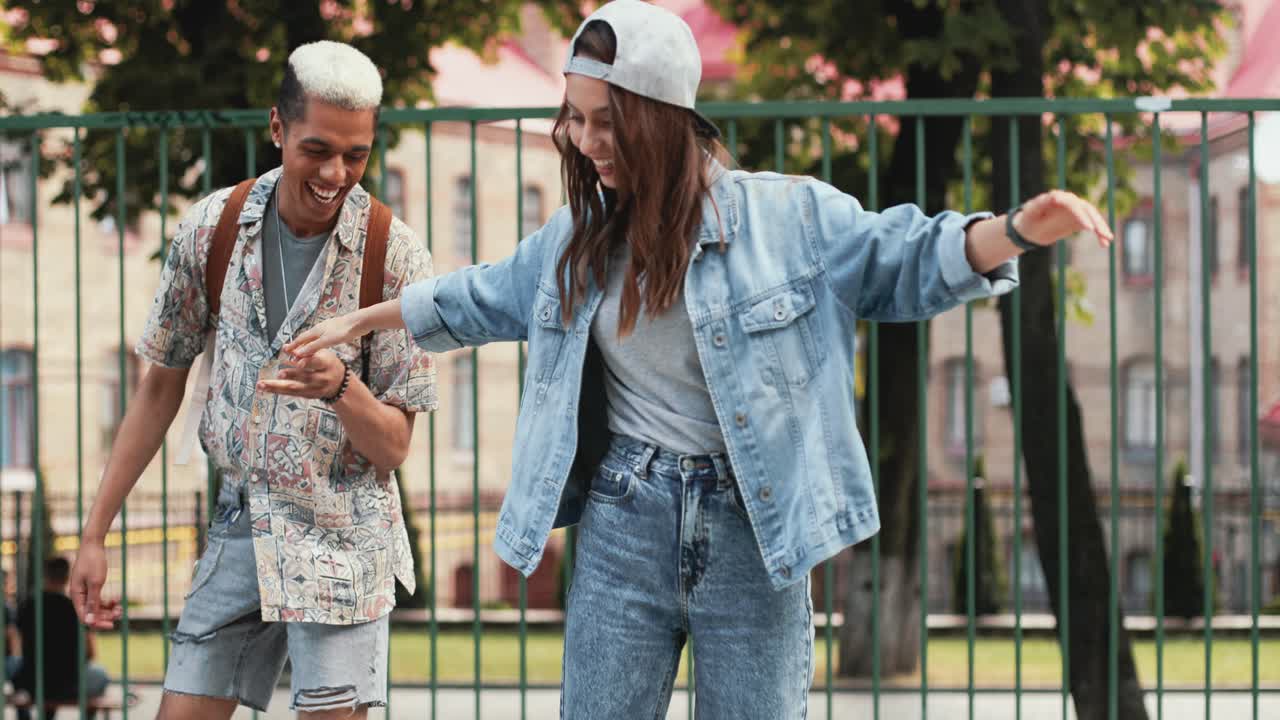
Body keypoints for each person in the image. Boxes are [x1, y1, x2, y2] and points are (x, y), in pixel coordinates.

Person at [287, 1, 1113, 717]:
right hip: (623, 523)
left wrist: (1012, 231)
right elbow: (482, 294)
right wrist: (355, 321)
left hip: (755, 532)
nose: (584, 140)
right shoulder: (579, 240)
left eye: (606, 122)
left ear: (661, 116)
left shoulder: (788, 220)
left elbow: (901, 257)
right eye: (575, 118)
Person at [69, 40, 437, 719]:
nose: (336, 173)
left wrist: (340, 387)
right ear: (277, 128)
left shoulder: (394, 256)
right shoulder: (211, 229)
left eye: (356, 155)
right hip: (242, 522)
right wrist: (95, 535)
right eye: (318, 149)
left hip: (342, 539)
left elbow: (393, 447)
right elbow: (158, 389)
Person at [9, 558, 111, 718]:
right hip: (70, 684)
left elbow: (18, 646)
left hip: (33, 682)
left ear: (44, 575)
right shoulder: (75, 609)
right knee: (101, 675)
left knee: (14, 665)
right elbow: (90, 652)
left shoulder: (28, 606)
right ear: (67, 577)